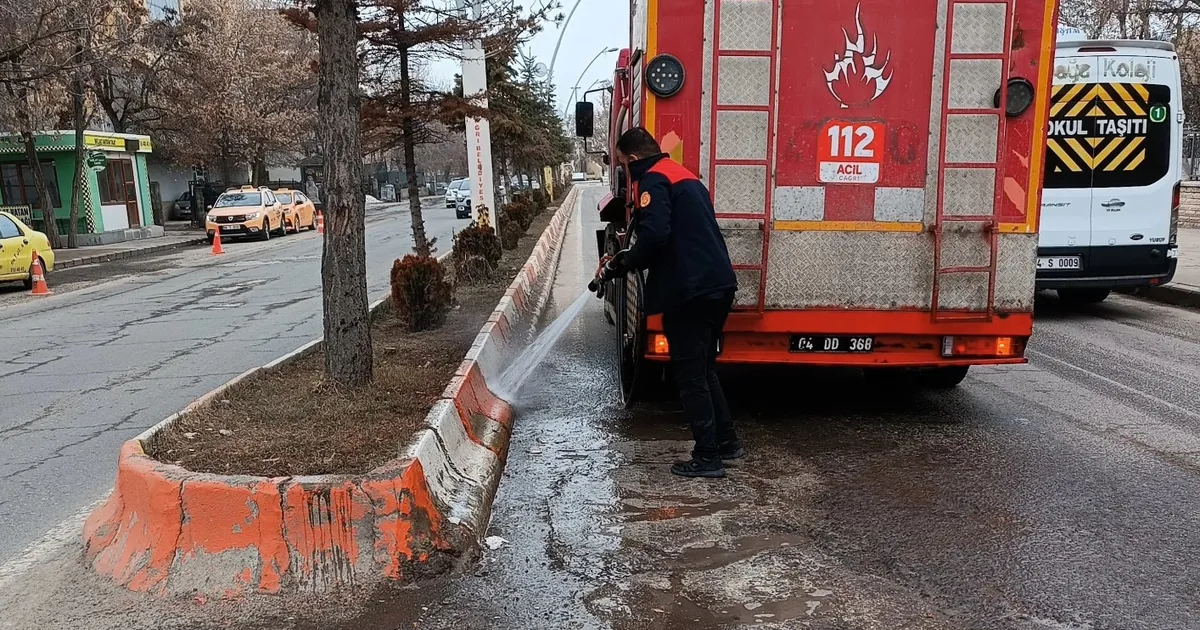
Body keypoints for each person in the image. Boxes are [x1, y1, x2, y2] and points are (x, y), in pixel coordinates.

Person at [599, 127, 743, 479]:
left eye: (623, 166)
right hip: (717, 285)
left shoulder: (653, 181)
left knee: (690, 375)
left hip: (690, 290)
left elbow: (655, 235)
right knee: (704, 369)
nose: (626, 174)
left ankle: (707, 457)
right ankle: (726, 442)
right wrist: (626, 260)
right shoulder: (685, 175)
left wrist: (623, 262)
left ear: (633, 160)